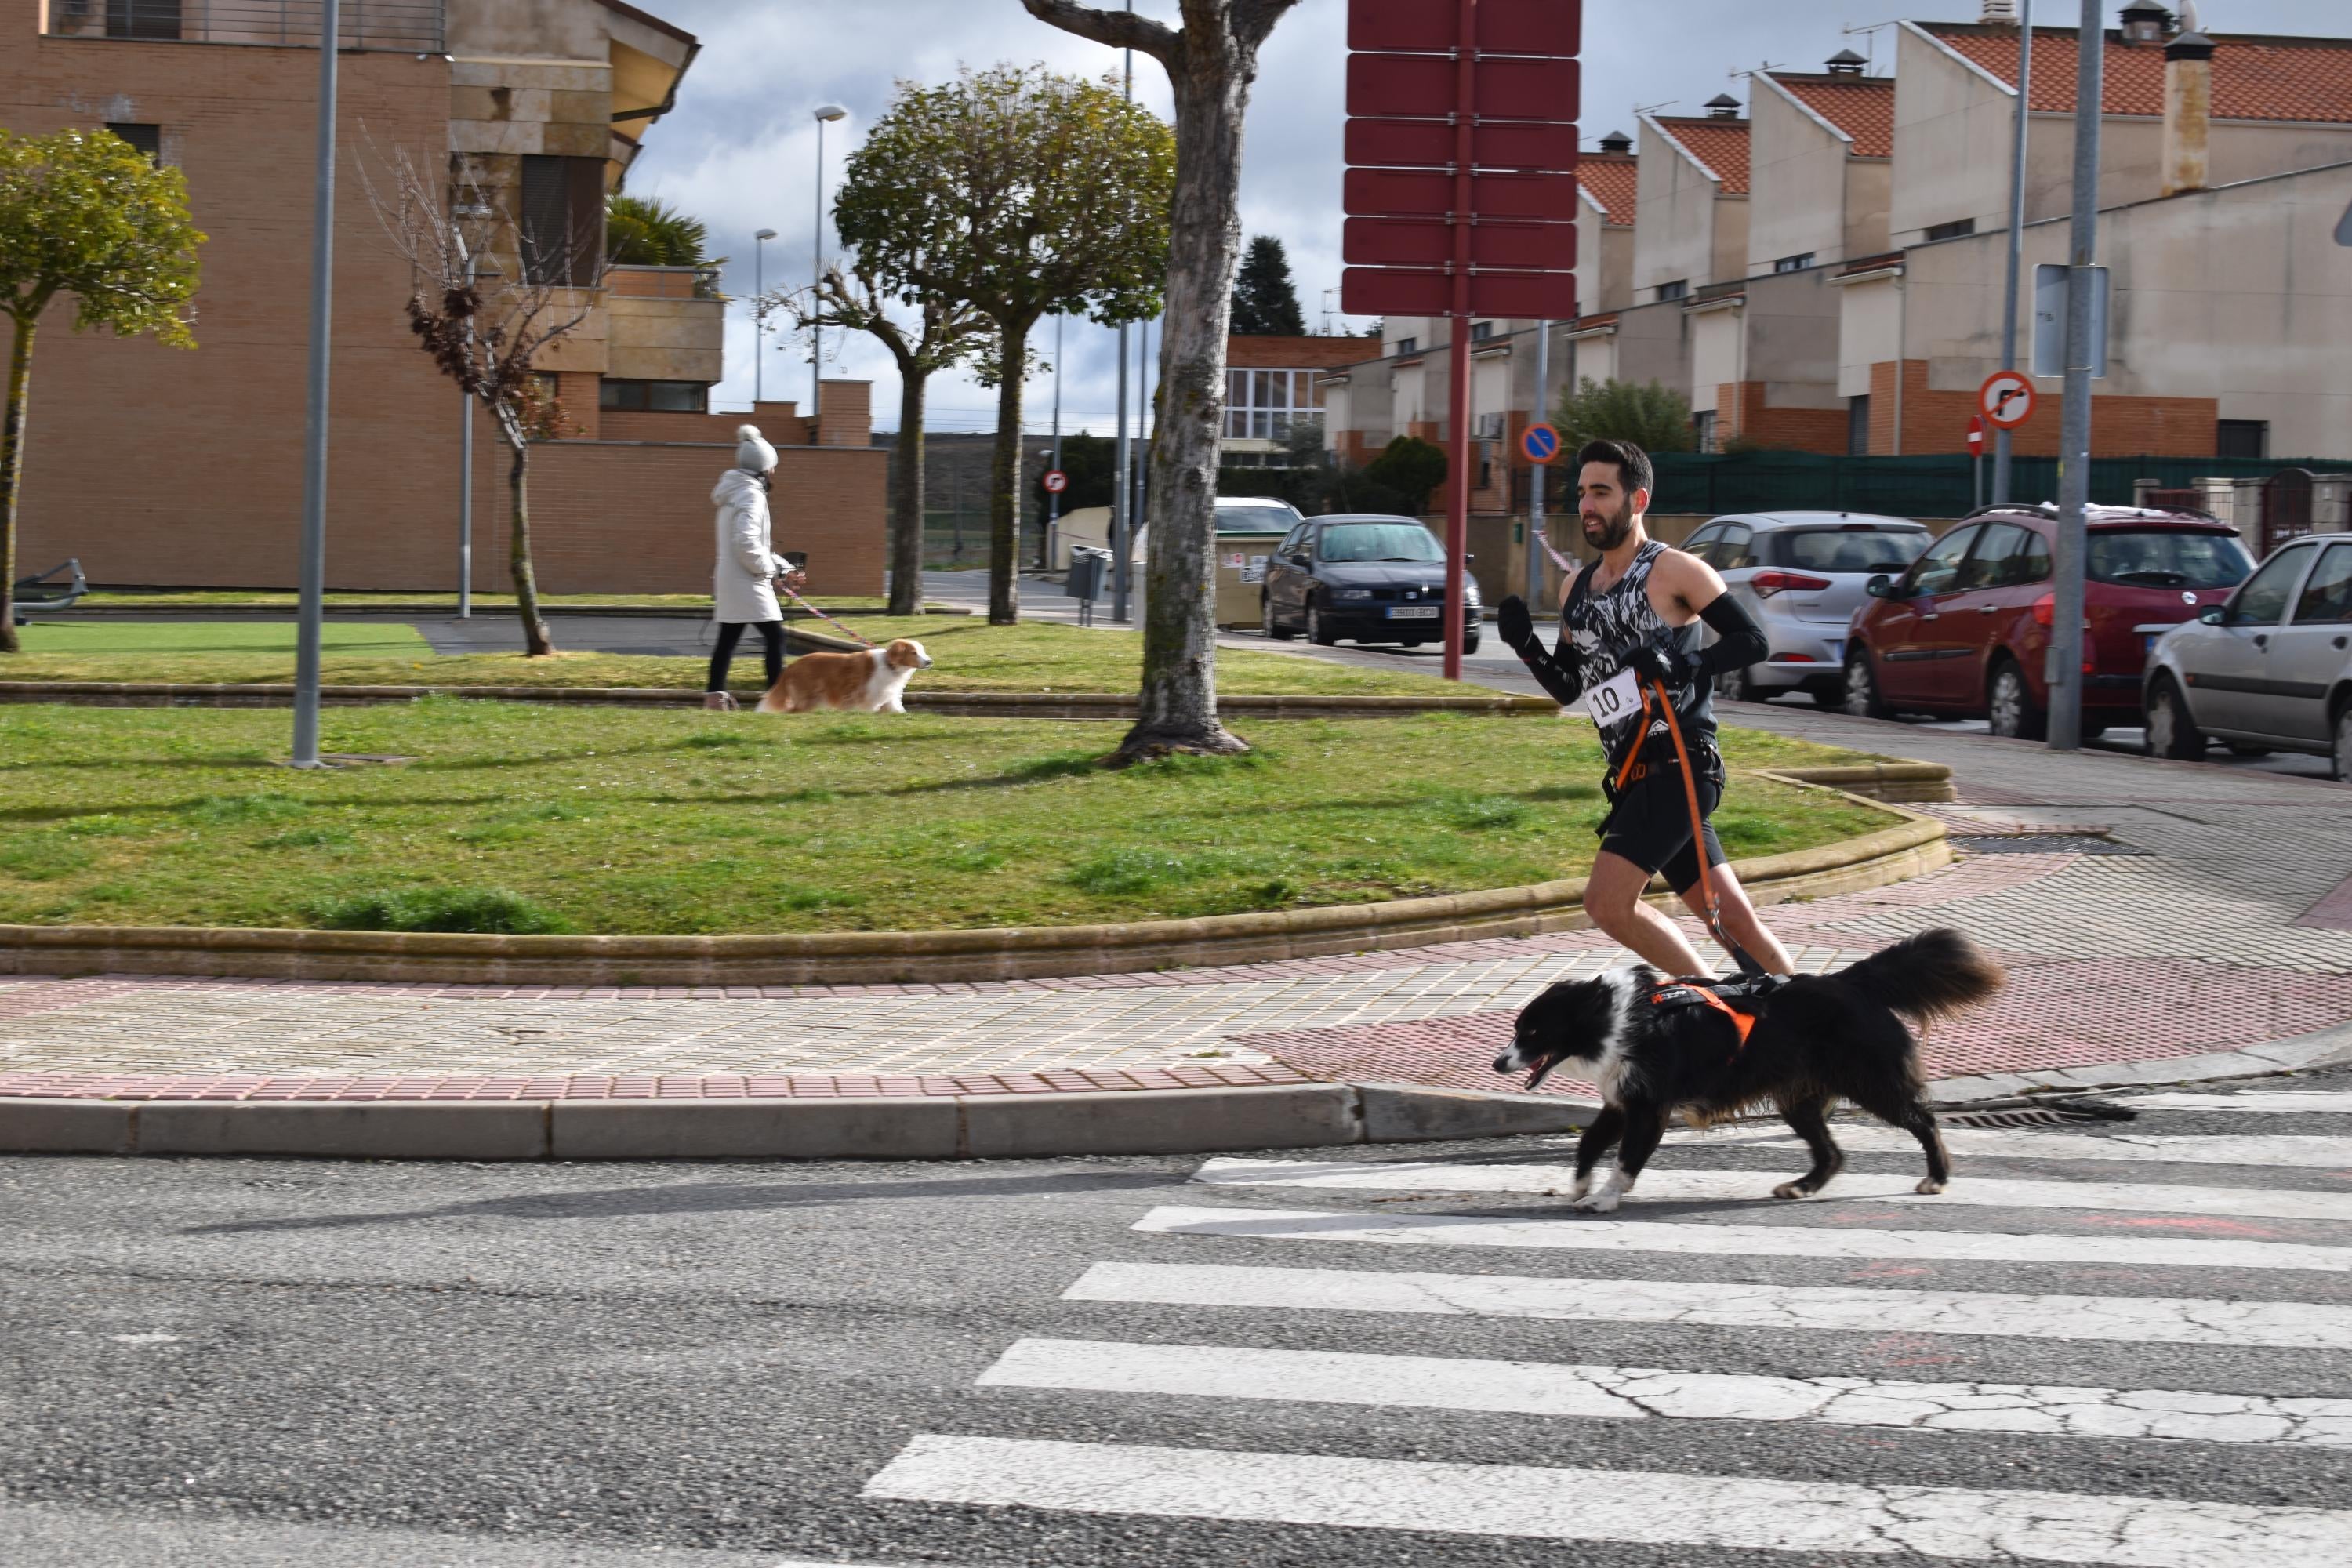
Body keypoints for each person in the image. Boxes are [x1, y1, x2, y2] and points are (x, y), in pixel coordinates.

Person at [1496, 438, 1795, 981]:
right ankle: (1807, 1021)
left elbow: (1751, 641)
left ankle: (1712, 1010)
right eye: (1583, 492)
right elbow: (1570, 690)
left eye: (1602, 492)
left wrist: (1682, 664)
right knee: (1729, 918)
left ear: (1637, 500)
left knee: (1606, 904)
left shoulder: (1674, 570)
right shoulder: (1575, 589)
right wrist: (1526, 646)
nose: (1587, 505)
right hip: (1635, 776)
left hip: (1681, 763)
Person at [706, 423, 806, 711]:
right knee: (775, 636)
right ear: (764, 468)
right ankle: (778, 700)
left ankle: (715, 699)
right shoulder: (751, 495)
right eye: (773, 467)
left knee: (728, 640)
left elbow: (753, 544)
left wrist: (782, 567)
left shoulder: (736, 492)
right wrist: (770, 571)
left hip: (735, 577)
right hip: (747, 579)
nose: (774, 472)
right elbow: (747, 542)